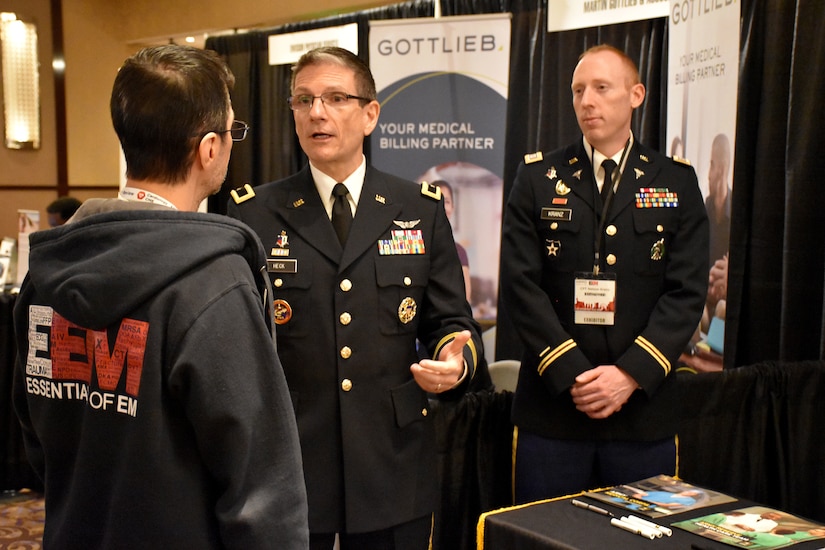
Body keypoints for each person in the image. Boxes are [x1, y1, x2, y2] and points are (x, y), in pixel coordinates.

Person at [12, 45, 308, 549]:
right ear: (209, 149)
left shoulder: (45, 273)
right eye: (232, 133)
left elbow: (37, 442)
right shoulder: (214, 285)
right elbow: (262, 490)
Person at [226, 46, 483, 550]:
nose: (316, 112)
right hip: (293, 458)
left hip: (392, 457)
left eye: (335, 98)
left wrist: (456, 358)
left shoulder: (418, 208)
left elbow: (451, 320)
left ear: (370, 114)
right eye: (303, 100)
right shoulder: (256, 214)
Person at [500, 44, 708, 502]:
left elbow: (687, 292)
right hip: (554, 409)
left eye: (600, 88)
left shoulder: (675, 181)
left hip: (642, 414)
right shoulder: (537, 178)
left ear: (636, 94)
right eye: (578, 90)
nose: (586, 101)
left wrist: (629, 376)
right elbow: (520, 285)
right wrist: (573, 372)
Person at [432, 179, 472, 302]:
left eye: (447, 201)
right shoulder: (419, 246)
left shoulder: (459, 251)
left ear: (453, 208)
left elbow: (465, 296)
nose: (442, 206)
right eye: (436, 201)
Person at [705, 133, 732, 265]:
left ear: (722, 169)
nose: (708, 176)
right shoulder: (703, 210)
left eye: (712, 165)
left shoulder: (737, 214)